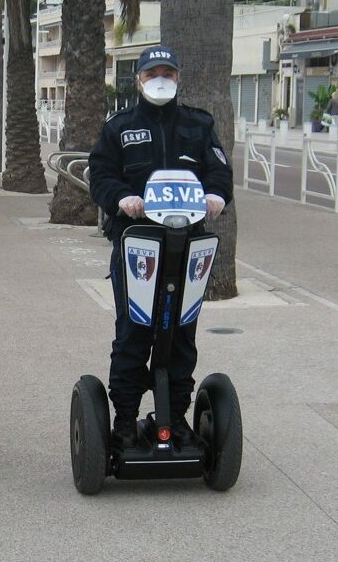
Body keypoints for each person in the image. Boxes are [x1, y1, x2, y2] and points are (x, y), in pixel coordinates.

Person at [88, 45, 233, 447]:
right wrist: (121, 199)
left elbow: (219, 171)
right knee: (134, 331)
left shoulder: (198, 125)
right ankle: (125, 420)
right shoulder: (119, 127)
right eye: (153, 74)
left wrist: (217, 196)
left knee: (182, 331)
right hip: (138, 242)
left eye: (168, 72)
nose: (161, 80)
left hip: (187, 245)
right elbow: (99, 173)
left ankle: (177, 416)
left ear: (179, 78)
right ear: (138, 80)